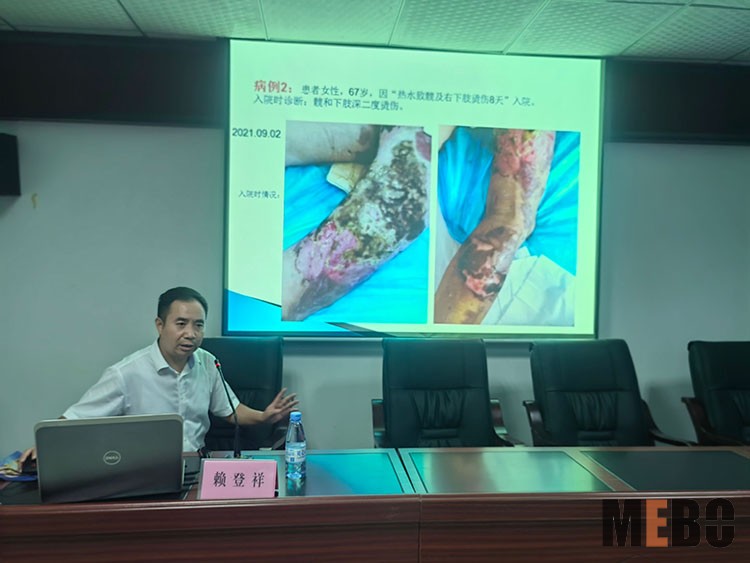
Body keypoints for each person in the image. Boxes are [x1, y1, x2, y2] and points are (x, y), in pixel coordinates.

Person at [21, 286, 298, 460]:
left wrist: (264, 416)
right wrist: (46, 444)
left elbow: (231, 410)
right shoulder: (126, 373)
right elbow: (77, 418)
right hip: (145, 471)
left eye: (198, 325)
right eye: (181, 323)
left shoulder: (207, 363)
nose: (191, 333)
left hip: (199, 465)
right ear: (159, 325)